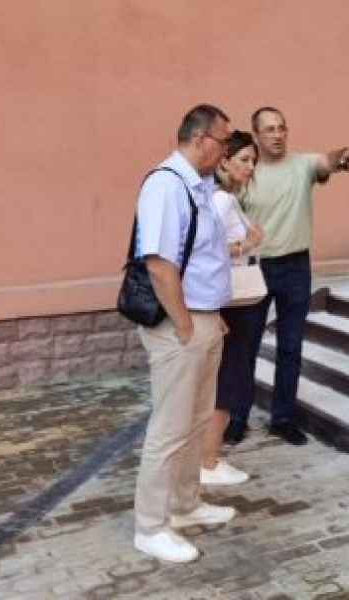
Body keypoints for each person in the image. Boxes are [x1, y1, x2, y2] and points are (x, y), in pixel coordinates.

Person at [132, 104, 238, 563]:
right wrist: (185, 324)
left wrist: (213, 314)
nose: (227, 151)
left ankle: (185, 504)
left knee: (195, 422)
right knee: (169, 429)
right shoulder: (166, 185)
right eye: (224, 141)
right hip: (180, 324)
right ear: (200, 139)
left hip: (203, 318)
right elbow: (159, 264)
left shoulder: (200, 186)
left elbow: (204, 258)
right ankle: (150, 527)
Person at [229, 106, 349, 446]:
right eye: (269, 129)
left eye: (281, 128)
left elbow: (328, 161)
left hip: (295, 268)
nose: (277, 135)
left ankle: (283, 419)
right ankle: (236, 419)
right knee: (245, 347)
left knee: (290, 347)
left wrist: (344, 155)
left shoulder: (303, 165)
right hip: (255, 268)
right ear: (256, 135)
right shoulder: (246, 171)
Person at [200, 131, 264, 486]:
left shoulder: (224, 198)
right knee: (229, 382)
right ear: (223, 161)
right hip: (234, 303)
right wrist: (246, 245)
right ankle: (209, 462)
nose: (250, 167)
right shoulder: (222, 200)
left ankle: (208, 458)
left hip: (231, 301)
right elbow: (206, 252)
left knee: (225, 380)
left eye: (253, 161)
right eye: (243, 159)